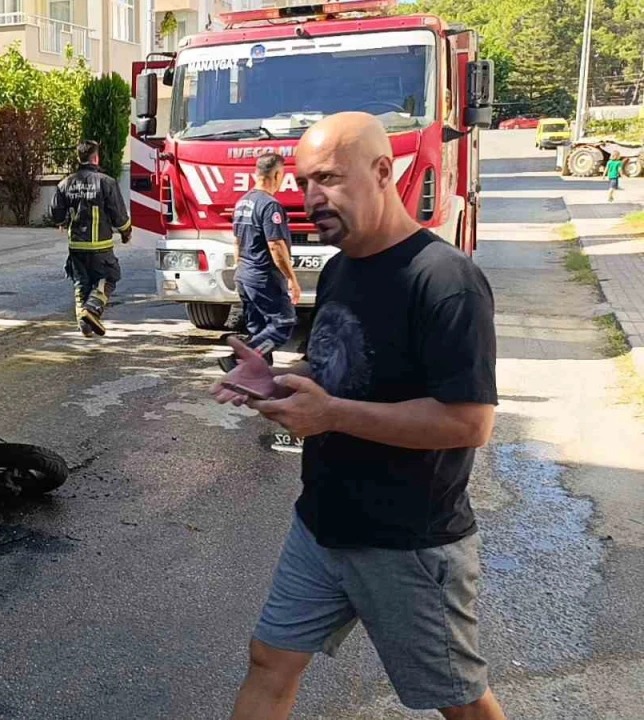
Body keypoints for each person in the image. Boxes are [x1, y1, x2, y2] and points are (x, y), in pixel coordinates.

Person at [212, 113, 506, 720]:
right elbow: (338, 368)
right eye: (302, 183)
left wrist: (332, 416)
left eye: (328, 179)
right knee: (269, 660)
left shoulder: (445, 280)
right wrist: (278, 380)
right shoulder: (341, 268)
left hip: (408, 543)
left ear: (382, 172)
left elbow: (468, 423)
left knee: (459, 702)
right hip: (321, 523)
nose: (310, 198)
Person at [217, 153, 300, 372]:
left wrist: (242, 269)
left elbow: (237, 241)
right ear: (278, 175)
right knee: (283, 324)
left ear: (256, 173)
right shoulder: (270, 205)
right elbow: (276, 246)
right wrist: (292, 279)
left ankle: (254, 376)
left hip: (245, 274)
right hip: (263, 276)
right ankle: (237, 359)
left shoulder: (243, 202)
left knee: (259, 329)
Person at [49, 140, 132, 337]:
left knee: (81, 284)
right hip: (100, 247)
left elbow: (56, 214)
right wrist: (126, 232)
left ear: (79, 157)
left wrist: (62, 221)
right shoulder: (106, 182)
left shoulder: (65, 183)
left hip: (76, 247)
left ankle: (85, 327)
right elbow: (119, 214)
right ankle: (92, 308)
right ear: (96, 158)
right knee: (109, 277)